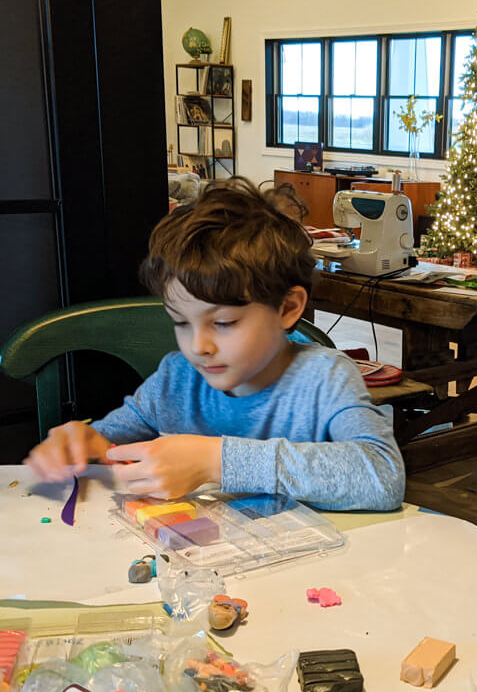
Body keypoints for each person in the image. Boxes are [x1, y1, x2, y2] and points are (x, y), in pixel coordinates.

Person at [25, 177, 404, 511]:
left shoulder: (325, 380)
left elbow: (384, 477)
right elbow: (107, 441)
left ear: (287, 308)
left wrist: (217, 461)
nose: (198, 347)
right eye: (180, 322)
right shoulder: (175, 380)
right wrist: (83, 443)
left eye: (223, 323)